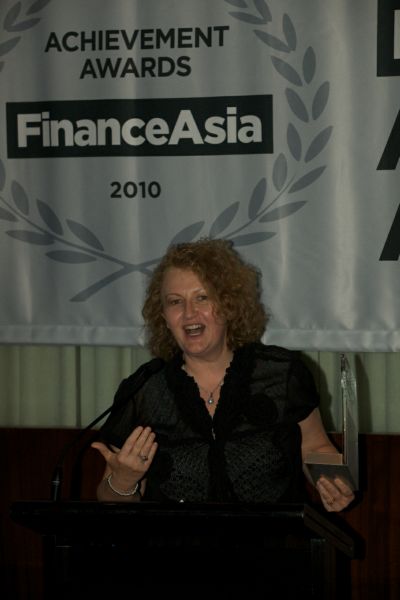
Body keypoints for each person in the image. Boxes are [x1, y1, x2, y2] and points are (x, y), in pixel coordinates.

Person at [92, 238, 355, 512]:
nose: (189, 313)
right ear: (164, 317)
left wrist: (334, 481)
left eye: (202, 297)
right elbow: (110, 501)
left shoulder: (281, 372)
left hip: (275, 537)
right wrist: (124, 481)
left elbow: (315, 447)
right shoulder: (144, 389)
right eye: (175, 302)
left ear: (229, 305)